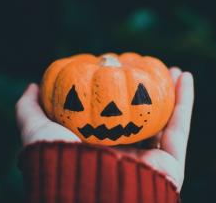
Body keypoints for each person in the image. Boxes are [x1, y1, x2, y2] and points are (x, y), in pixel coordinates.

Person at [15, 67, 194, 203]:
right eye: (74, 101)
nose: (111, 114)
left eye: (140, 97)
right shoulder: (67, 70)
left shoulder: (147, 70)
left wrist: (60, 169)